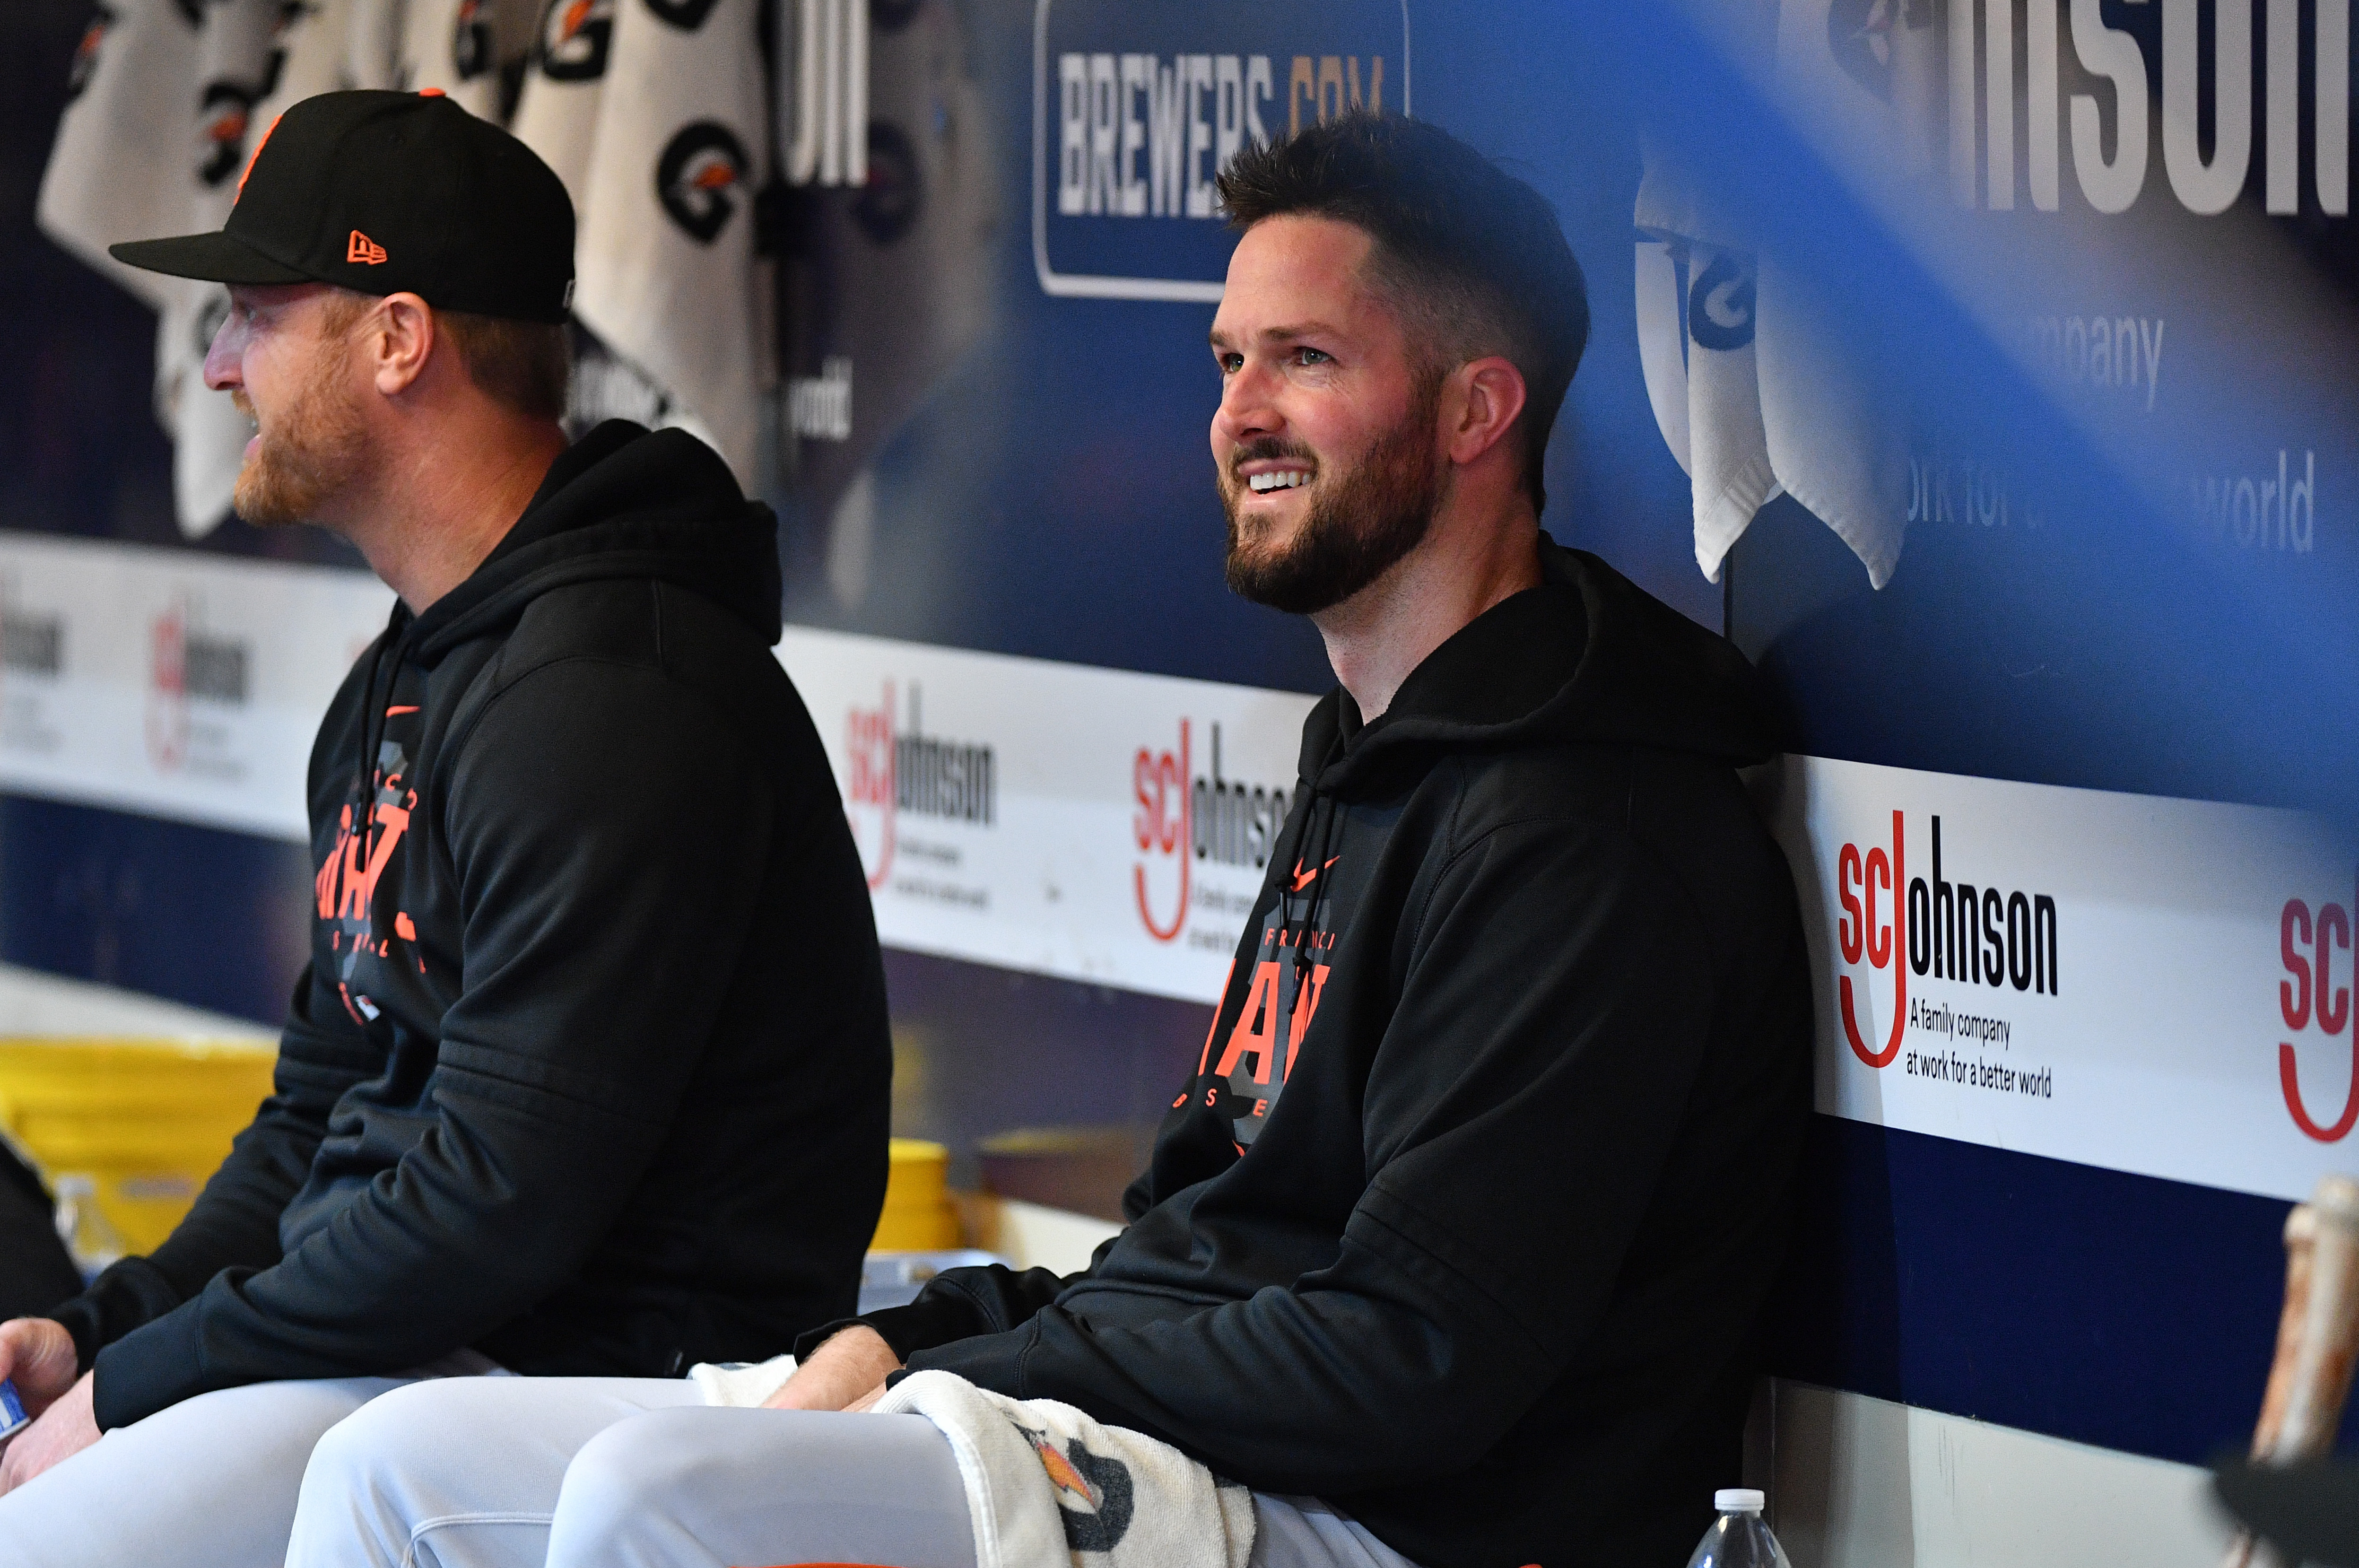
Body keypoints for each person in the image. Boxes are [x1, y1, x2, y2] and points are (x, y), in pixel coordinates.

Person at [282, 111, 1813, 1568]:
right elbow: (1201, 1239)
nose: (1238, 413)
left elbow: (1409, 1359)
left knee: (657, 1494)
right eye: (1228, 361)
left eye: (1307, 359)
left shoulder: (1589, 826)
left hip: (1405, 1521)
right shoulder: (1373, 753)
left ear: (1480, 408)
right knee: (391, 1465)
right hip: (1210, 1447)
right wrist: (932, 1336)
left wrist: (980, 1366)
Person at [0, 89, 893, 1565]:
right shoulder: (409, 674)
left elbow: (495, 1205)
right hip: (421, 1347)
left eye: (252, 316)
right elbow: (317, 1118)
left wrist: (138, 1384)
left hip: (590, 1380)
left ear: (398, 339)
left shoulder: (621, 691)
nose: (218, 365)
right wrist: (106, 1328)